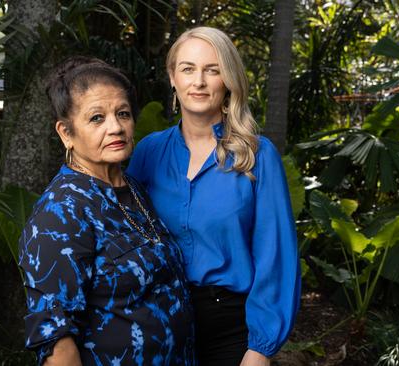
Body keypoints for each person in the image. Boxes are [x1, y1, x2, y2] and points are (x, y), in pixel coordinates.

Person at [128, 27, 301, 366]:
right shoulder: (149, 153)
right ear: (172, 77)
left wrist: (260, 348)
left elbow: (276, 256)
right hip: (158, 321)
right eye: (188, 69)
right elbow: (125, 237)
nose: (199, 82)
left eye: (213, 69)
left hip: (231, 329)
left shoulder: (257, 156)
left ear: (228, 79)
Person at [18, 57, 195, 366]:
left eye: (122, 114)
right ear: (66, 133)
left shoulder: (134, 189)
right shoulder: (60, 212)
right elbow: (56, 340)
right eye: (97, 118)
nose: (115, 127)